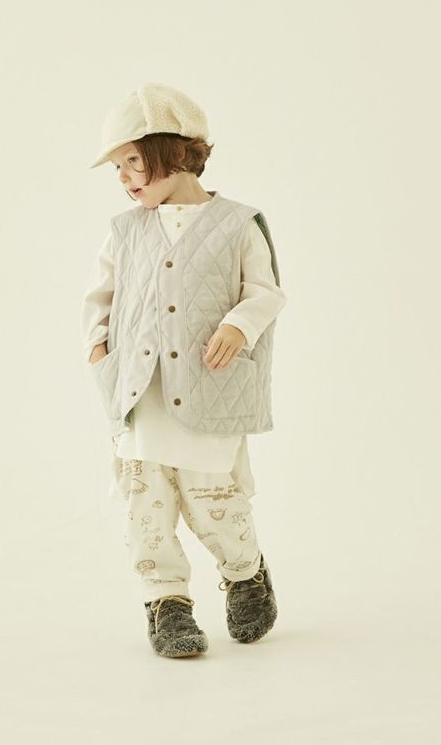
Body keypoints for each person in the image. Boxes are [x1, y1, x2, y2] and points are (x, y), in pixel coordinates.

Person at [81, 83, 287, 658]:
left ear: (172, 151)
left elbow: (266, 292)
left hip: (208, 387)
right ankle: (165, 600)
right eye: (117, 168)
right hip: (140, 390)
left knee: (212, 493)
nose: (124, 178)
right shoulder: (124, 230)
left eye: (132, 161)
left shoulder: (238, 223)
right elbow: (100, 298)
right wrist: (99, 350)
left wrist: (238, 325)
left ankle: (245, 573)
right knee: (145, 498)